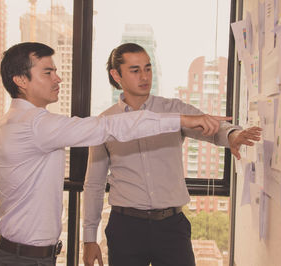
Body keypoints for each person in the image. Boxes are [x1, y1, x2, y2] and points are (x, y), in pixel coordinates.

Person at [0, 42, 230, 266]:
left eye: (55, 71)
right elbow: (109, 129)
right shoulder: (35, 125)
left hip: (24, 255)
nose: (57, 78)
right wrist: (183, 120)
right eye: (48, 72)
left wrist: (230, 134)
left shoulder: (16, 122)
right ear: (21, 80)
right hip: (22, 259)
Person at [82, 42, 262, 266]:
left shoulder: (173, 110)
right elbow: (94, 184)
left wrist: (233, 135)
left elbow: (208, 126)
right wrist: (89, 238)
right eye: (135, 70)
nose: (145, 76)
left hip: (171, 228)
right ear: (116, 75)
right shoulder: (105, 123)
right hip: (125, 228)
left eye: (148, 68)